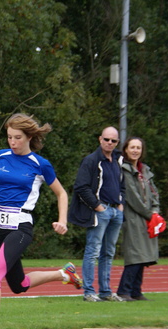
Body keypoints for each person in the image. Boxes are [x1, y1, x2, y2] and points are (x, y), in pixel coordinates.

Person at [0, 113, 82, 329]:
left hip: (21, 226)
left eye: (17, 137)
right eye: (9, 137)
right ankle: (63, 274)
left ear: (29, 137)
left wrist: (62, 220)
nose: (12, 142)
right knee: (19, 285)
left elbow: (61, 193)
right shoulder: (0, 157)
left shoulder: (40, 164)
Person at [68, 126, 126, 302]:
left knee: (108, 252)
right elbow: (81, 186)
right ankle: (89, 292)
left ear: (117, 143)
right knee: (93, 251)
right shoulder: (91, 160)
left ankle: (106, 292)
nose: (109, 143)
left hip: (116, 211)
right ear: (100, 139)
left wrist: (121, 203)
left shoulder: (117, 160)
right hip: (101, 211)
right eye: (106, 139)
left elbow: (122, 184)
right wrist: (97, 206)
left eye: (113, 141)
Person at [116, 137, 160, 301]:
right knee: (135, 254)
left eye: (138, 148)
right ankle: (124, 290)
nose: (135, 150)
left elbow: (154, 194)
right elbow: (133, 198)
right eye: (132, 147)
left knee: (144, 255)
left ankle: (136, 290)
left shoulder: (145, 171)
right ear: (126, 149)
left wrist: (155, 212)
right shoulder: (124, 170)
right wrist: (150, 214)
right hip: (133, 218)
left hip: (148, 219)